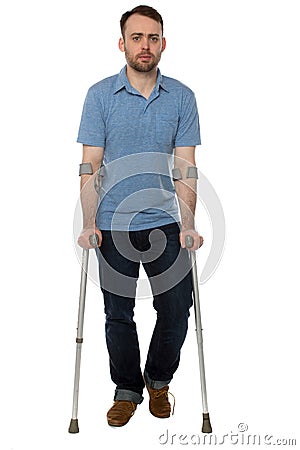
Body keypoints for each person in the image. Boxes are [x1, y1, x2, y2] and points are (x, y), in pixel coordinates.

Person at [77, 5, 203, 427]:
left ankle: (159, 380)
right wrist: (88, 222)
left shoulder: (182, 97)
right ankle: (127, 389)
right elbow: (90, 164)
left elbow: (185, 167)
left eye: (152, 38)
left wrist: (188, 224)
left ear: (162, 44)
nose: (144, 45)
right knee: (118, 312)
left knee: (175, 308)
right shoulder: (99, 96)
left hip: (165, 223)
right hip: (112, 223)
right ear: (122, 44)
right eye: (136, 37)